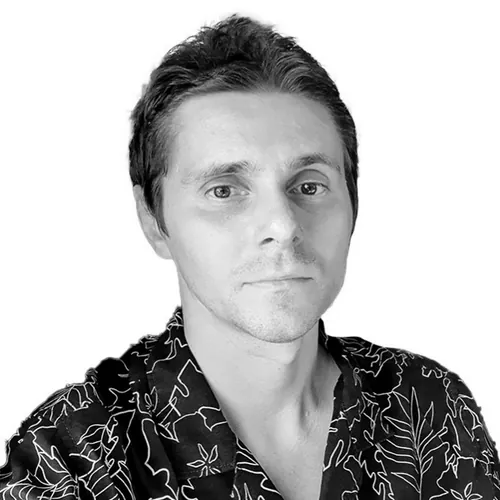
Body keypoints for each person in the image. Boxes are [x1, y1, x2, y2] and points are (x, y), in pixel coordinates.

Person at [1, 12, 499, 500]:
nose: (283, 226)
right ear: (154, 221)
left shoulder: (429, 406)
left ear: (354, 204)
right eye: (224, 190)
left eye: (309, 186)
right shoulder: (73, 460)